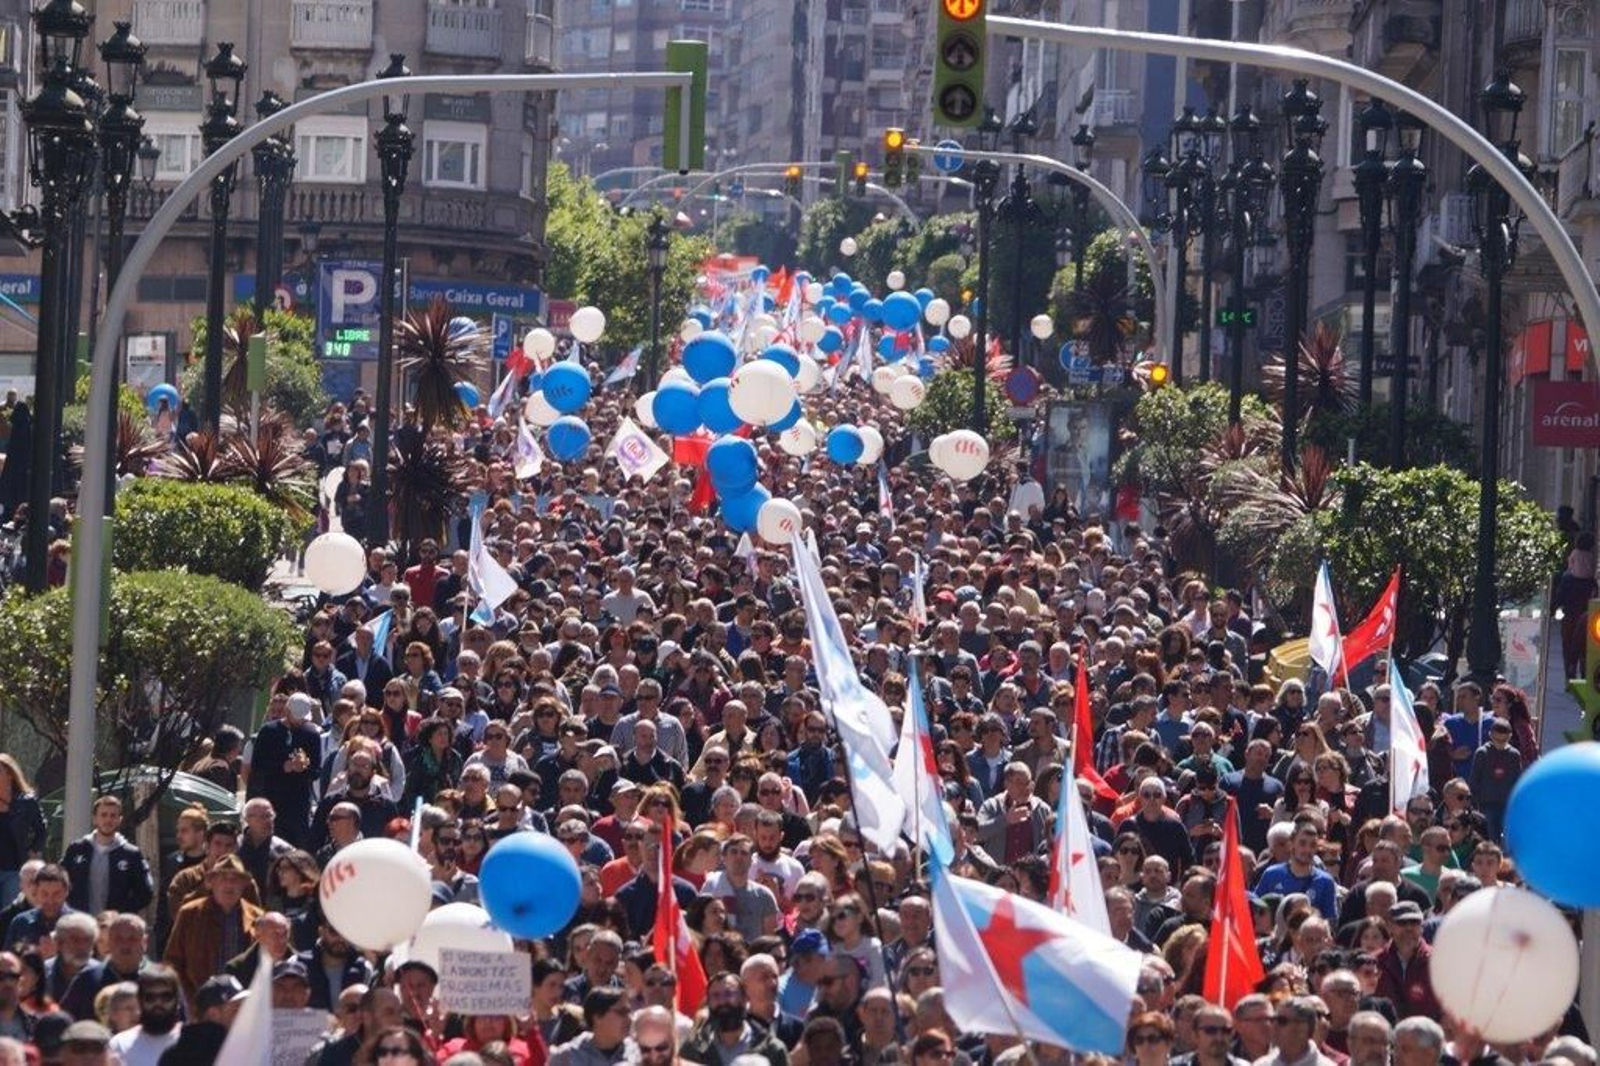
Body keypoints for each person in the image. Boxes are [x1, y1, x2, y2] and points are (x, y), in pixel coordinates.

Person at [678, 971, 787, 1064]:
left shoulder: (772, 1050)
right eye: (715, 996)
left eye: (729, 994)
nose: (722, 1001)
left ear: (745, 999)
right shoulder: (693, 1051)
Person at [105, 967, 182, 1066]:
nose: (158, 1003)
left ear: (177, 1000)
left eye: (166, 996)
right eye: (150, 997)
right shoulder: (119, 1045)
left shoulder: (193, 1042)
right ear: (139, 1000)